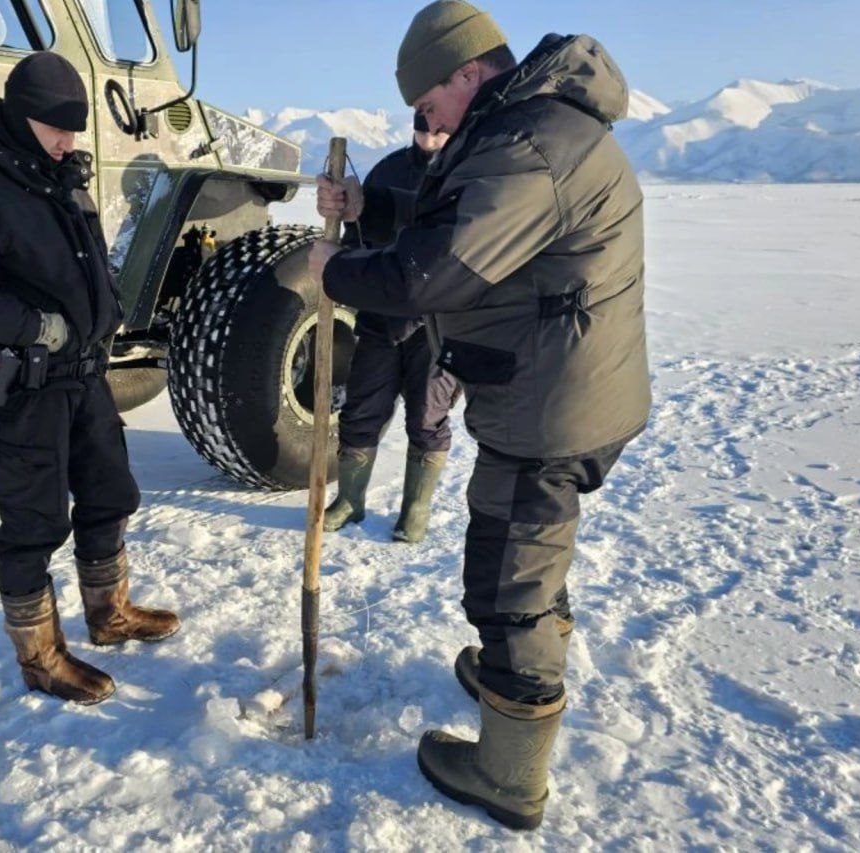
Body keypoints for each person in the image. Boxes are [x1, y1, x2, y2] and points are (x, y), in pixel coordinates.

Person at [310, 1, 651, 830]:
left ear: (466, 73)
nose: (421, 122)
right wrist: (370, 214)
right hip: (554, 392)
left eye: (425, 107)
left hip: (552, 409)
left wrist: (337, 271)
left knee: (509, 577)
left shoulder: (531, 144)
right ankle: (513, 667)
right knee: (531, 553)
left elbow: (436, 274)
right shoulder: (520, 127)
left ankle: (509, 770)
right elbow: (463, 219)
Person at [0, 52, 179, 706]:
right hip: (21, 387)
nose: (69, 140)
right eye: (57, 127)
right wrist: (30, 325)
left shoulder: (55, 170)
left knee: (111, 493)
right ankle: (41, 657)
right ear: (23, 118)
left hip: (83, 375)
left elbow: (84, 257)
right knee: (34, 522)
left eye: (74, 129)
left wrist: (103, 306)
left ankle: (109, 613)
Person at [322, 113, 461, 544]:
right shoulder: (389, 169)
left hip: (437, 323)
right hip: (382, 317)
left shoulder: (466, 171)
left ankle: (415, 508)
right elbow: (355, 236)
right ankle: (349, 499)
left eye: (439, 131)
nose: (430, 138)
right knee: (362, 409)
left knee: (427, 416)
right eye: (423, 129)